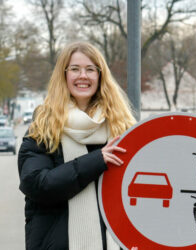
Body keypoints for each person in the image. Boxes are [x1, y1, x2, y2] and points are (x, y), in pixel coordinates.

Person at [18, 41, 136, 250]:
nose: (83, 76)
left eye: (90, 69)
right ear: (63, 75)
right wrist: (96, 160)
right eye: (75, 69)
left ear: (100, 76)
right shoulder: (44, 127)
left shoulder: (122, 128)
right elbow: (36, 184)